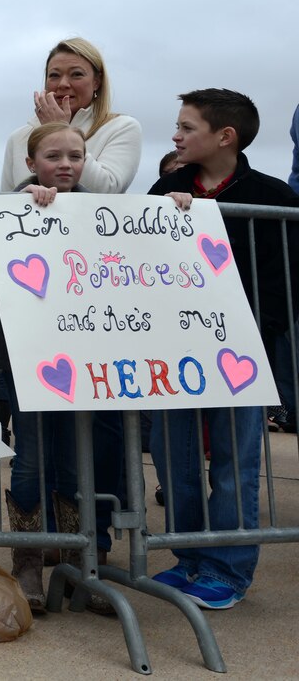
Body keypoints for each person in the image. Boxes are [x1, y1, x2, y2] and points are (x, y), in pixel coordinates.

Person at [0, 122, 122, 615]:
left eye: (76, 155)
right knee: (30, 456)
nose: (66, 165)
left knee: (78, 458)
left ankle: (78, 561)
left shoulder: (103, 211)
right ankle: (27, 560)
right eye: (54, 156)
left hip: (86, 356)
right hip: (23, 356)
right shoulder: (10, 205)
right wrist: (15, 202)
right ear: (31, 163)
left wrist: (175, 205)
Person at [150, 89, 299, 609]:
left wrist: (263, 333)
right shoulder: (164, 188)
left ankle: (229, 569)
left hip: (241, 350)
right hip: (171, 346)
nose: (175, 135)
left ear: (225, 136)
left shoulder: (273, 194)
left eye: (186, 127)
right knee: (174, 457)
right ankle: (188, 554)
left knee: (236, 461)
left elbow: (285, 274)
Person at [1, 37, 142, 194]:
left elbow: (107, 191)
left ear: (97, 81)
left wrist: (59, 130)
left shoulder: (122, 127)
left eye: (76, 74)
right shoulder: (18, 137)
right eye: (54, 75)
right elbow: (7, 201)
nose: (63, 84)